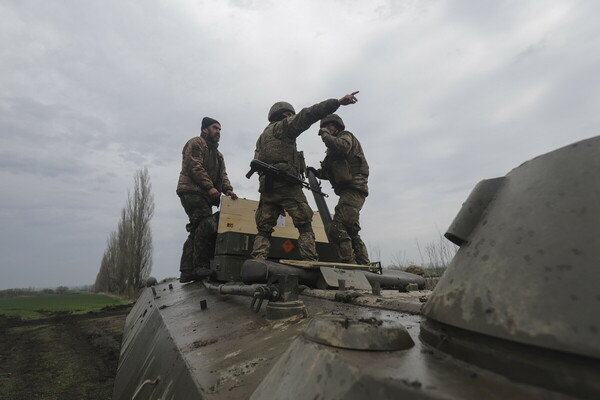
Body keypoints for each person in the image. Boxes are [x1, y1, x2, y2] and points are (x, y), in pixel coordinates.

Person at [251, 92, 359, 261]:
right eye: (291, 115)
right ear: (286, 115)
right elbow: (309, 114)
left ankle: (258, 260)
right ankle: (310, 260)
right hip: (287, 185)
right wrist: (337, 102)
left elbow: (258, 162)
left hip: (267, 188)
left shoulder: (262, 138)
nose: (293, 117)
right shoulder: (283, 127)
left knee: (264, 229)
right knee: (305, 224)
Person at [176, 117, 237, 282]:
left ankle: (187, 270)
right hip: (191, 191)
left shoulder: (218, 155)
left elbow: (222, 175)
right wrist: (210, 187)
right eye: (215, 128)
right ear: (205, 129)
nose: (218, 132)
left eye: (219, 129)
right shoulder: (196, 143)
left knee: (197, 229)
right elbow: (194, 166)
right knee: (207, 224)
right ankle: (200, 266)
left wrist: (228, 190)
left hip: (204, 195)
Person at [310, 113, 370, 265]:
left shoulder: (345, 137)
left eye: (329, 126)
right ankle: (364, 265)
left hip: (355, 189)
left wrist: (324, 135)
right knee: (351, 231)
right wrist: (314, 172)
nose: (326, 129)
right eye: (324, 127)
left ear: (336, 126)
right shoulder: (333, 150)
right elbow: (330, 172)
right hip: (350, 191)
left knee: (336, 227)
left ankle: (348, 264)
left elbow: (342, 148)